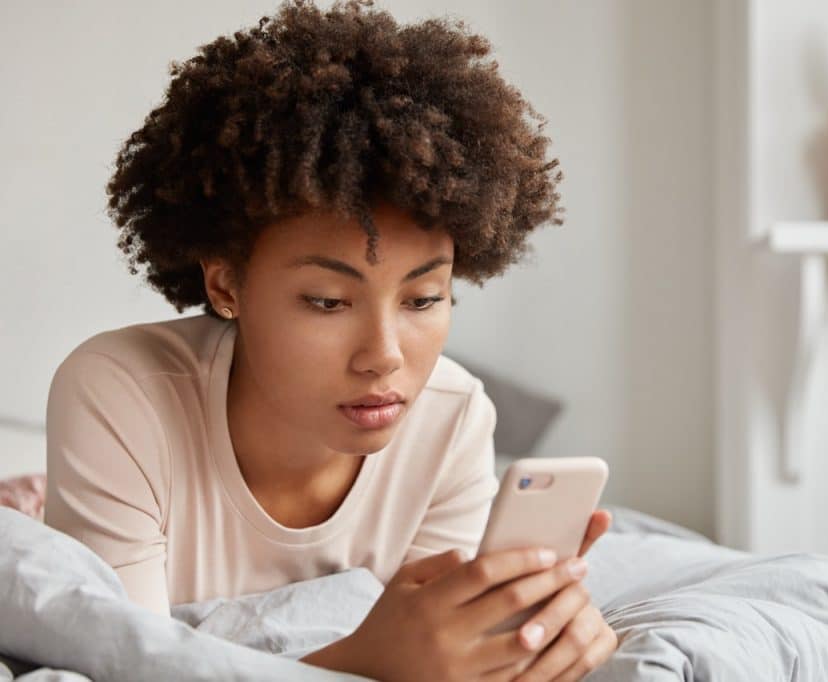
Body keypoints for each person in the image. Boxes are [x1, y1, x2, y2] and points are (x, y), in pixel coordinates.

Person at [42, 0, 618, 679]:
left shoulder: (454, 420)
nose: (385, 355)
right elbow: (125, 666)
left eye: (424, 299)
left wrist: (527, 641)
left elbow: (451, 654)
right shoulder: (120, 394)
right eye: (327, 301)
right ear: (226, 286)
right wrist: (363, 662)